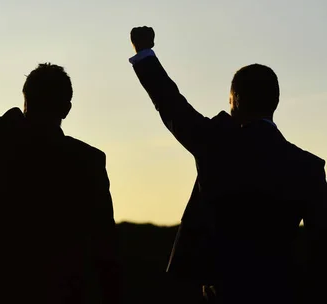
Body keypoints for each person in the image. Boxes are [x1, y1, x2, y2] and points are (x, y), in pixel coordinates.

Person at [128, 26, 327, 303]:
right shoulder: (309, 167)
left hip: (221, 291)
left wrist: (144, 52)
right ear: (276, 102)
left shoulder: (216, 143)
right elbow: (321, 246)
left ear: (237, 99)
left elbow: (171, 104)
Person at [0, 32, 120, 304]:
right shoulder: (89, 160)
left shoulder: (5, 141)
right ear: (67, 108)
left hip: (6, 286)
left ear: (25, 101)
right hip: (66, 289)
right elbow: (103, 237)